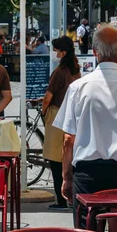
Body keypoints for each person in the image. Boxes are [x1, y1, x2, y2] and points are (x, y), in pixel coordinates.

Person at [53, 26, 117, 225]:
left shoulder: (78, 88)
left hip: (88, 175)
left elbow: (68, 140)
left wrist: (66, 177)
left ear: (94, 52)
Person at [39, 36, 81, 210]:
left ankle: (61, 199)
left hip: (57, 115)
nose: (54, 53)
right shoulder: (75, 70)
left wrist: (42, 110)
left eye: (55, 50)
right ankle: (74, 196)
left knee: (55, 159)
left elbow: (48, 97)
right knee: (70, 158)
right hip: (73, 115)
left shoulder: (59, 71)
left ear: (62, 52)